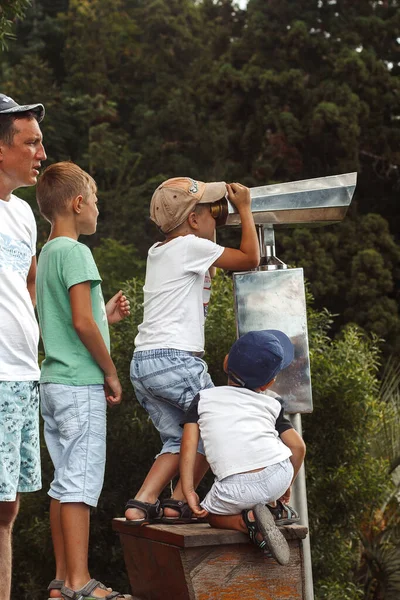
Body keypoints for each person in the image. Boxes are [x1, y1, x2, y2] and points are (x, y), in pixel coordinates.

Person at [125, 177, 260, 524]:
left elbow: (210, 270)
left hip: (144, 364)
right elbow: (249, 258)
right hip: (175, 359)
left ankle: (145, 503)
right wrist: (244, 210)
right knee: (215, 423)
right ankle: (194, 498)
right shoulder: (189, 248)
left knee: (180, 440)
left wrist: (212, 221)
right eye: (210, 211)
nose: (217, 215)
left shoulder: (160, 251)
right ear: (193, 221)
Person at [35, 162, 132, 600]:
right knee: (80, 482)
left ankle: (60, 581)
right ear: (78, 204)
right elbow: (80, 322)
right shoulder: (77, 252)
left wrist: (104, 315)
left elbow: (65, 319)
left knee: (63, 482)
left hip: (53, 383)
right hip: (80, 385)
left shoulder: (47, 252)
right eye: (95, 201)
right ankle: (80, 583)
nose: (97, 209)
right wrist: (110, 371)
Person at [180, 330, 306, 565]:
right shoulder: (272, 403)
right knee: (267, 481)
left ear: (226, 361)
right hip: (278, 473)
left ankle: (247, 521)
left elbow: (188, 445)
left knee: (212, 516)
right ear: (270, 382)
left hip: (235, 487)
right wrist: (285, 486)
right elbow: (298, 447)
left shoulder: (204, 399)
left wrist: (188, 489)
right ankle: (274, 508)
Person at [0, 93, 46, 600]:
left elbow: (28, 280)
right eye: (30, 143)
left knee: (7, 507)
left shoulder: (23, 216)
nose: (40, 152)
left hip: (20, 374)